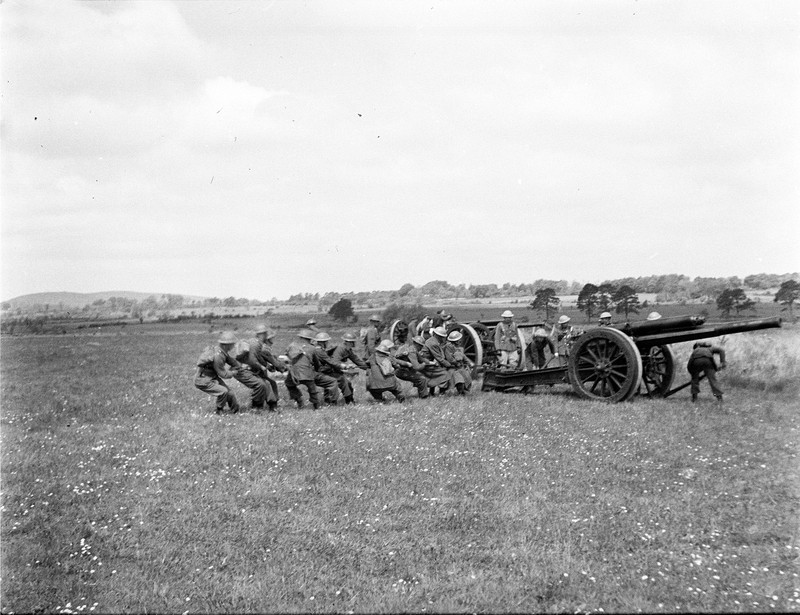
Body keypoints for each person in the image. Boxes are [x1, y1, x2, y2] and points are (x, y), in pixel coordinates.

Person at [194, 331, 242, 414]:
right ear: (226, 345)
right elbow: (223, 374)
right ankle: (219, 410)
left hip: (212, 377)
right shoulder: (218, 356)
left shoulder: (223, 352)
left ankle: (236, 410)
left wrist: (240, 365)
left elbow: (231, 361)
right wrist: (234, 372)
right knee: (223, 391)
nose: (234, 346)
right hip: (203, 380)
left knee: (230, 393)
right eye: (232, 344)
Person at [325, 332, 369, 404]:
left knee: (347, 384)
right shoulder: (340, 349)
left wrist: (368, 367)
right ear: (349, 342)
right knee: (344, 383)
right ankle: (346, 402)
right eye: (352, 342)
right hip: (330, 370)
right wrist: (346, 365)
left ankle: (349, 401)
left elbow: (356, 360)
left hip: (336, 370)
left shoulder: (348, 350)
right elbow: (334, 362)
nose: (353, 343)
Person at [231, 337, 273, 413]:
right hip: (241, 370)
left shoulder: (254, 350)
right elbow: (253, 362)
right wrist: (262, 367)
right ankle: (256, 407)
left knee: (266, 384)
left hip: (245, 370)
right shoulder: (254, 351)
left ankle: (269, 406)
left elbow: (261, 362)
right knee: (260, 384)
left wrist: (267, 366)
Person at [284, 329, 322, 410]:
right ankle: (316, 405)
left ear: (301, 337)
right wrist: (317, 370)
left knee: (288, 383)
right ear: (310, 339)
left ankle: (299, 400)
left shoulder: (292, 345)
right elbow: (316, 363)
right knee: (312, 389)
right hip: (307, 374)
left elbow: (287, 355)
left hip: (295, 374)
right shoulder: (312, 348)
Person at [393, 327, 429, 399]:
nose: (421, 348)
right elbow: (417, 367)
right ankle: (424, 397)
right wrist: (424, 365)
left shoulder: (411, 348)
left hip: (404, 370)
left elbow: (420, 358)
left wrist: (429, 362)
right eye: (421, 346)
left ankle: (422, 394)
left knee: (420, 377)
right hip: (402, 371)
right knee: (422, 378)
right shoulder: (412, 351)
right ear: (417, 344)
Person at [308, 331, 343, 405]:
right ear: (323, 342)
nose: (328, 343)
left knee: (328, 379)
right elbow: (330, 361)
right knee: (333, 382)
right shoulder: (319, 351)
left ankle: (327, 400)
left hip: (314, 372)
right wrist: (342, 366)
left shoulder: (316, 349)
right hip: (316, 373)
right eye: (327, 342)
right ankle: (332, 402)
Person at [420, 326, 453, 395]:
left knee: (437, 372)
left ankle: (431, 392)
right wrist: (450, 365)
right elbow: (440, 358)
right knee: (444, 374)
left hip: (427, 363)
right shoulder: (433, 343)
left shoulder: (432, 340)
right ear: (438, 336)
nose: (444, 338)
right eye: (443, 337)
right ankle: (442, 393)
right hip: (426, 364)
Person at [444, 330, 473, 394]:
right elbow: (450, 359)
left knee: (466, 376)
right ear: (454, 341)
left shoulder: (459, 348)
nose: (460, 341)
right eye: (458, 340)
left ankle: (465, 391)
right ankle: (460, 391)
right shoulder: (448, 347)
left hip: (460, 367)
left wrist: (469, 363)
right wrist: (456, 362)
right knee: (459, 380)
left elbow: (464, 356)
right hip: (452, 368)